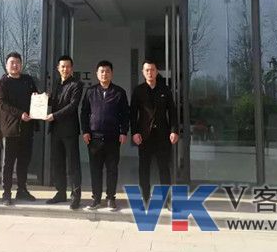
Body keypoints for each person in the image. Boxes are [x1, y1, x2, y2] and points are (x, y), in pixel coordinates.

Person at [80, 60, 129, 211]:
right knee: (95, 169)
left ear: (112, 73)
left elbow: (125, 114)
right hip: (94, 138)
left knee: (112, 169)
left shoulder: (119, 92)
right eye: (101, 71)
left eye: (107, 71)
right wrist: (85, 131)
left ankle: (110, 198)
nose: (104, 74)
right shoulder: (90, 92)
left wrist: (123, 132)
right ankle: (96, 198)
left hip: (113, 137)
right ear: (97, 73)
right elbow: (84, 113)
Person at [130, 59, 179, 204]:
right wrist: (134, 132)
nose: (150, 72)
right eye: (147, 70)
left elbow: (172, 112)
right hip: (144, 136)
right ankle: (145, 197)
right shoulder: (138, 91)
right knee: (144, 168)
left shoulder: (165, 90)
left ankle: (167, 199)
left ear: (157, 72)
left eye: (152, 70)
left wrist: (174, 130)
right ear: (143, 72)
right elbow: (133, 114)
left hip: (162, 135)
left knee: (164, 168)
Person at [0, 52, 38, 206]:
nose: (15, 65)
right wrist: (20, 114)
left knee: (24, 161)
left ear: (21, 64)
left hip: (27, 127)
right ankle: (6, 192)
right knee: (8, 162)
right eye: (12, 62)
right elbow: (2, 104)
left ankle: (22, 190)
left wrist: (39, 98)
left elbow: (35, 97)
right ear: (7, 65)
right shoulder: (2, 83)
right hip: (10, 128)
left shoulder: (28, 80)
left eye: (17, 62)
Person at [44, 55, 84, 210]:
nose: (65, 69)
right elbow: (53, 101)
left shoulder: (77, 84)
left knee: (73, 164)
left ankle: (76, 196)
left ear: (72, 68)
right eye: (62, 66)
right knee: (58, 163)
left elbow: (73, 106)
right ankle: (60, 193)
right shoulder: (56, 84)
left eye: (68, 66)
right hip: (55, 130)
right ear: (58, 68)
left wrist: (54, 115)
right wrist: (40, 99)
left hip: (69, 130)